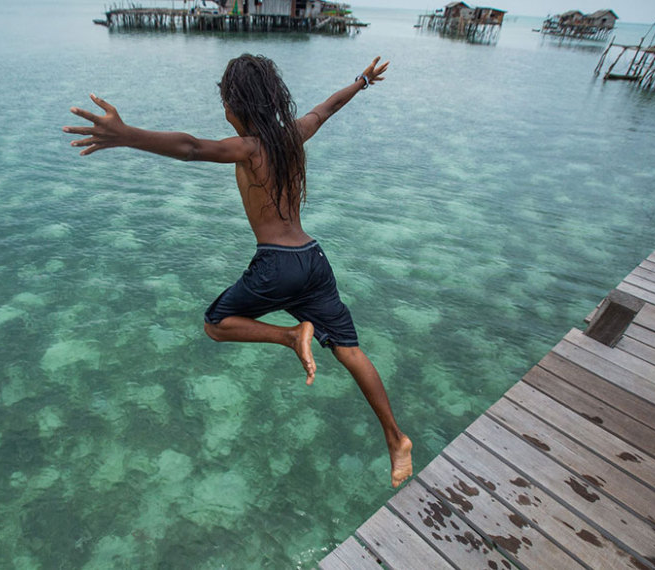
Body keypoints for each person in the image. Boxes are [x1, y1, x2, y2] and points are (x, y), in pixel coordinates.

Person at [63, 54, 413, 488]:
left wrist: (126, 135)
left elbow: (191, 147)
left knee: (216, 324)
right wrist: (361, 80)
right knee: (350, 351)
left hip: (277, 265)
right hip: (313, 260)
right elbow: (327, 107)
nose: (223, 110)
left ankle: (291, 335)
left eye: (225, 102)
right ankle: (396, 440)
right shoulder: (292, 136)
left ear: (237, 104)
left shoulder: (249, 148)